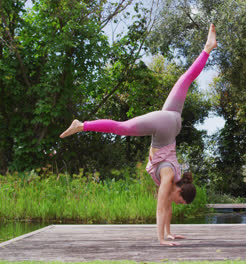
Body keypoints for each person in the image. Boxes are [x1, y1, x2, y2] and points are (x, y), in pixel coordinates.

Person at [60, 24, 218, 246]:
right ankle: (82, 125)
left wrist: (170, 232)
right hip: (165, 127)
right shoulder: (168, 178)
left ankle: (208, 48)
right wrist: (162, 239)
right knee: (122, 128)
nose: (176, 204)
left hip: (172, 121)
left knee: (184, 80)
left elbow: (168, 207)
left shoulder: (174, 180)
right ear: (180, 193)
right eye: (181, 202)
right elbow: (161, 207)